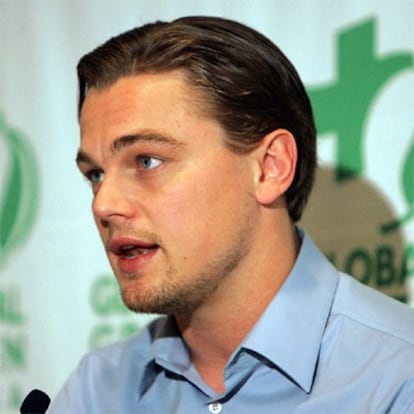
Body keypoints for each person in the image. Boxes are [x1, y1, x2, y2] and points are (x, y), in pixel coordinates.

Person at [49, 16, 414, 413]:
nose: (103, 204)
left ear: (270, 167)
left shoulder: (397, 377)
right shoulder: (96, 390)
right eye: (95, 174)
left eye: (147, 160)